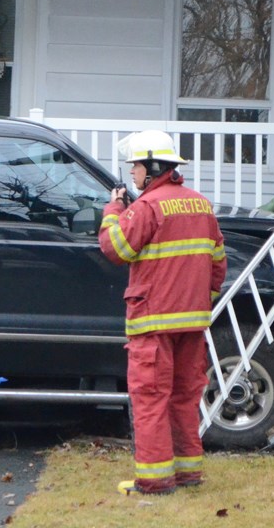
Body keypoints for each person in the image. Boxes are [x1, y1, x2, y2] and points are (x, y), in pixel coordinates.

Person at [98, 129, 226, 496]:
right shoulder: (201, 205)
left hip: (152, 323)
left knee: (151, 400)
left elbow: (114, 248)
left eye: (136, 168)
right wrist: (199, 302)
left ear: (153, 168)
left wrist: (113, 211)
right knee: (185, 397)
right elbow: (218, 264)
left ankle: (154, 481)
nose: (133, 175)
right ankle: (188, 473)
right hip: (192, 324)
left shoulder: (146, 208)